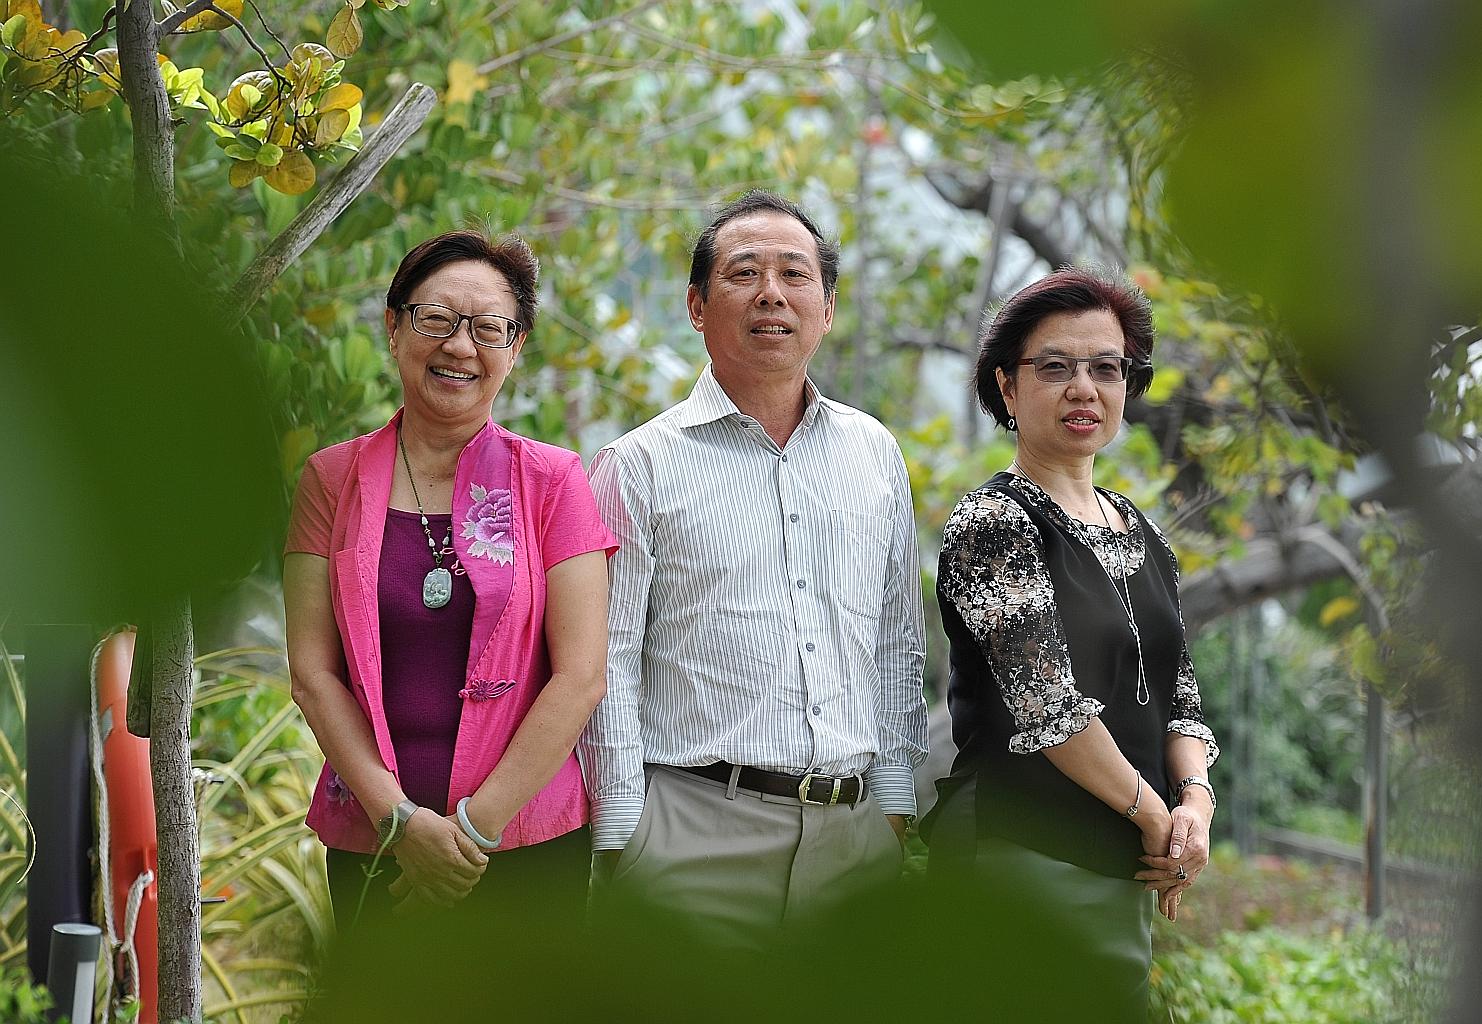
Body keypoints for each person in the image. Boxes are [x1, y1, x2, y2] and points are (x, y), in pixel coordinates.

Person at [579, 191, 927, 946]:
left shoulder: (874, 453)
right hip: (691, 839)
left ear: (827, 310)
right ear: (696, 306)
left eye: (795, 274)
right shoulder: (636, 465)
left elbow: (896, 641)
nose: (772, 293)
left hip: (855, 844)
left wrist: (894, 808)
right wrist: (624, 835)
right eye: (744, 273)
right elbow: (607, 660)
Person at [283, 230, 616, 936]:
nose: (460, 346)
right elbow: (312, 675)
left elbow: (582, 676)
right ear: (394, 327)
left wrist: (469, 834)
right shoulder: (331, 480)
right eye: (435, 319)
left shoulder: (554, 481)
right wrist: (401, 823)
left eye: (489, 328)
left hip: (520, 845)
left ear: (516, 348)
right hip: (376, 842)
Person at [924, 267, 1218, 1021]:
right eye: (1055, 367)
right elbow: (1048, 709)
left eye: (1105, 368)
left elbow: (1181, 697)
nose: (1084, 388)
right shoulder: (993, 525)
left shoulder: (1143, 531)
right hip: (1019, 859)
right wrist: (1156, 819)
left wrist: (1195, 802)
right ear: (1007, 386)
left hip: (1120, 866)